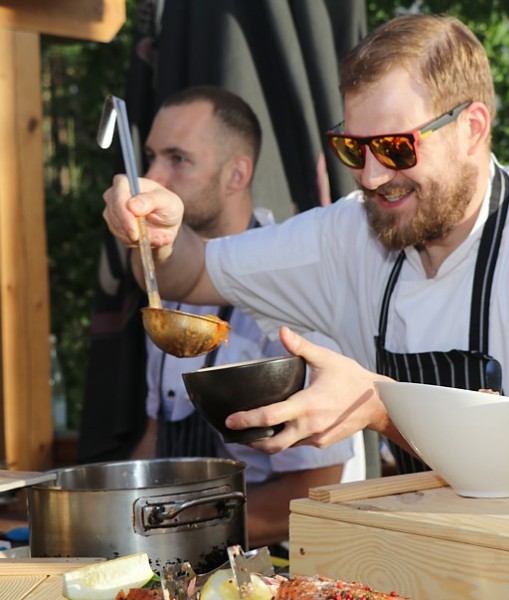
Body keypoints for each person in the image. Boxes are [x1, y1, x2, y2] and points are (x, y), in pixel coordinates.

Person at [102, 15, 509, 477]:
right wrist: (157, 230)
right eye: (352, 147)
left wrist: (383, 407)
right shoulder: (349, 237)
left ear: (472, 128)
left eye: (394, 147)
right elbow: (188, 275)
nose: (369, 177)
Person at [126, 85, 361, 549]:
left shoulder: (291, 293)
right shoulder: (170, 289)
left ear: (237, 174)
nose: (151, 177)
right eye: (150, 156)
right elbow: (158, 436)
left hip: (273, 565)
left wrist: (162, 532)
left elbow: (315, 490)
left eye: (178, 159)